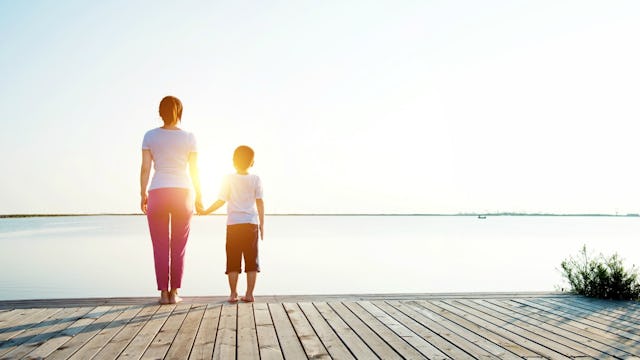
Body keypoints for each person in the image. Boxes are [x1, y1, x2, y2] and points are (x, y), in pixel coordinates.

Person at [140, 95, 203, 305]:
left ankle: (163, 294)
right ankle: (175, 292)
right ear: (180, 112)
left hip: (158, 191)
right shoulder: (189, 137)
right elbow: (194, 170)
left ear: (160, 113)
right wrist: (200, 195)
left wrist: (143, 194)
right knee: (178, 246)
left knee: (160, 246)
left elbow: (145, 168)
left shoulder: (150, 136)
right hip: (183, 193)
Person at [200, 145, 264, 303]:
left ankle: (233, 293)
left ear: (233, 162)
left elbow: (221, 200)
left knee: (233, 261)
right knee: (251, 261)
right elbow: (260, 202)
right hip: (250, 224)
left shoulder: (228, 179)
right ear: (252, 162)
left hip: (233, 225)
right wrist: (262, 224)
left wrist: (206, 211)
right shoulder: (255, 179)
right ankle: (249, 294)